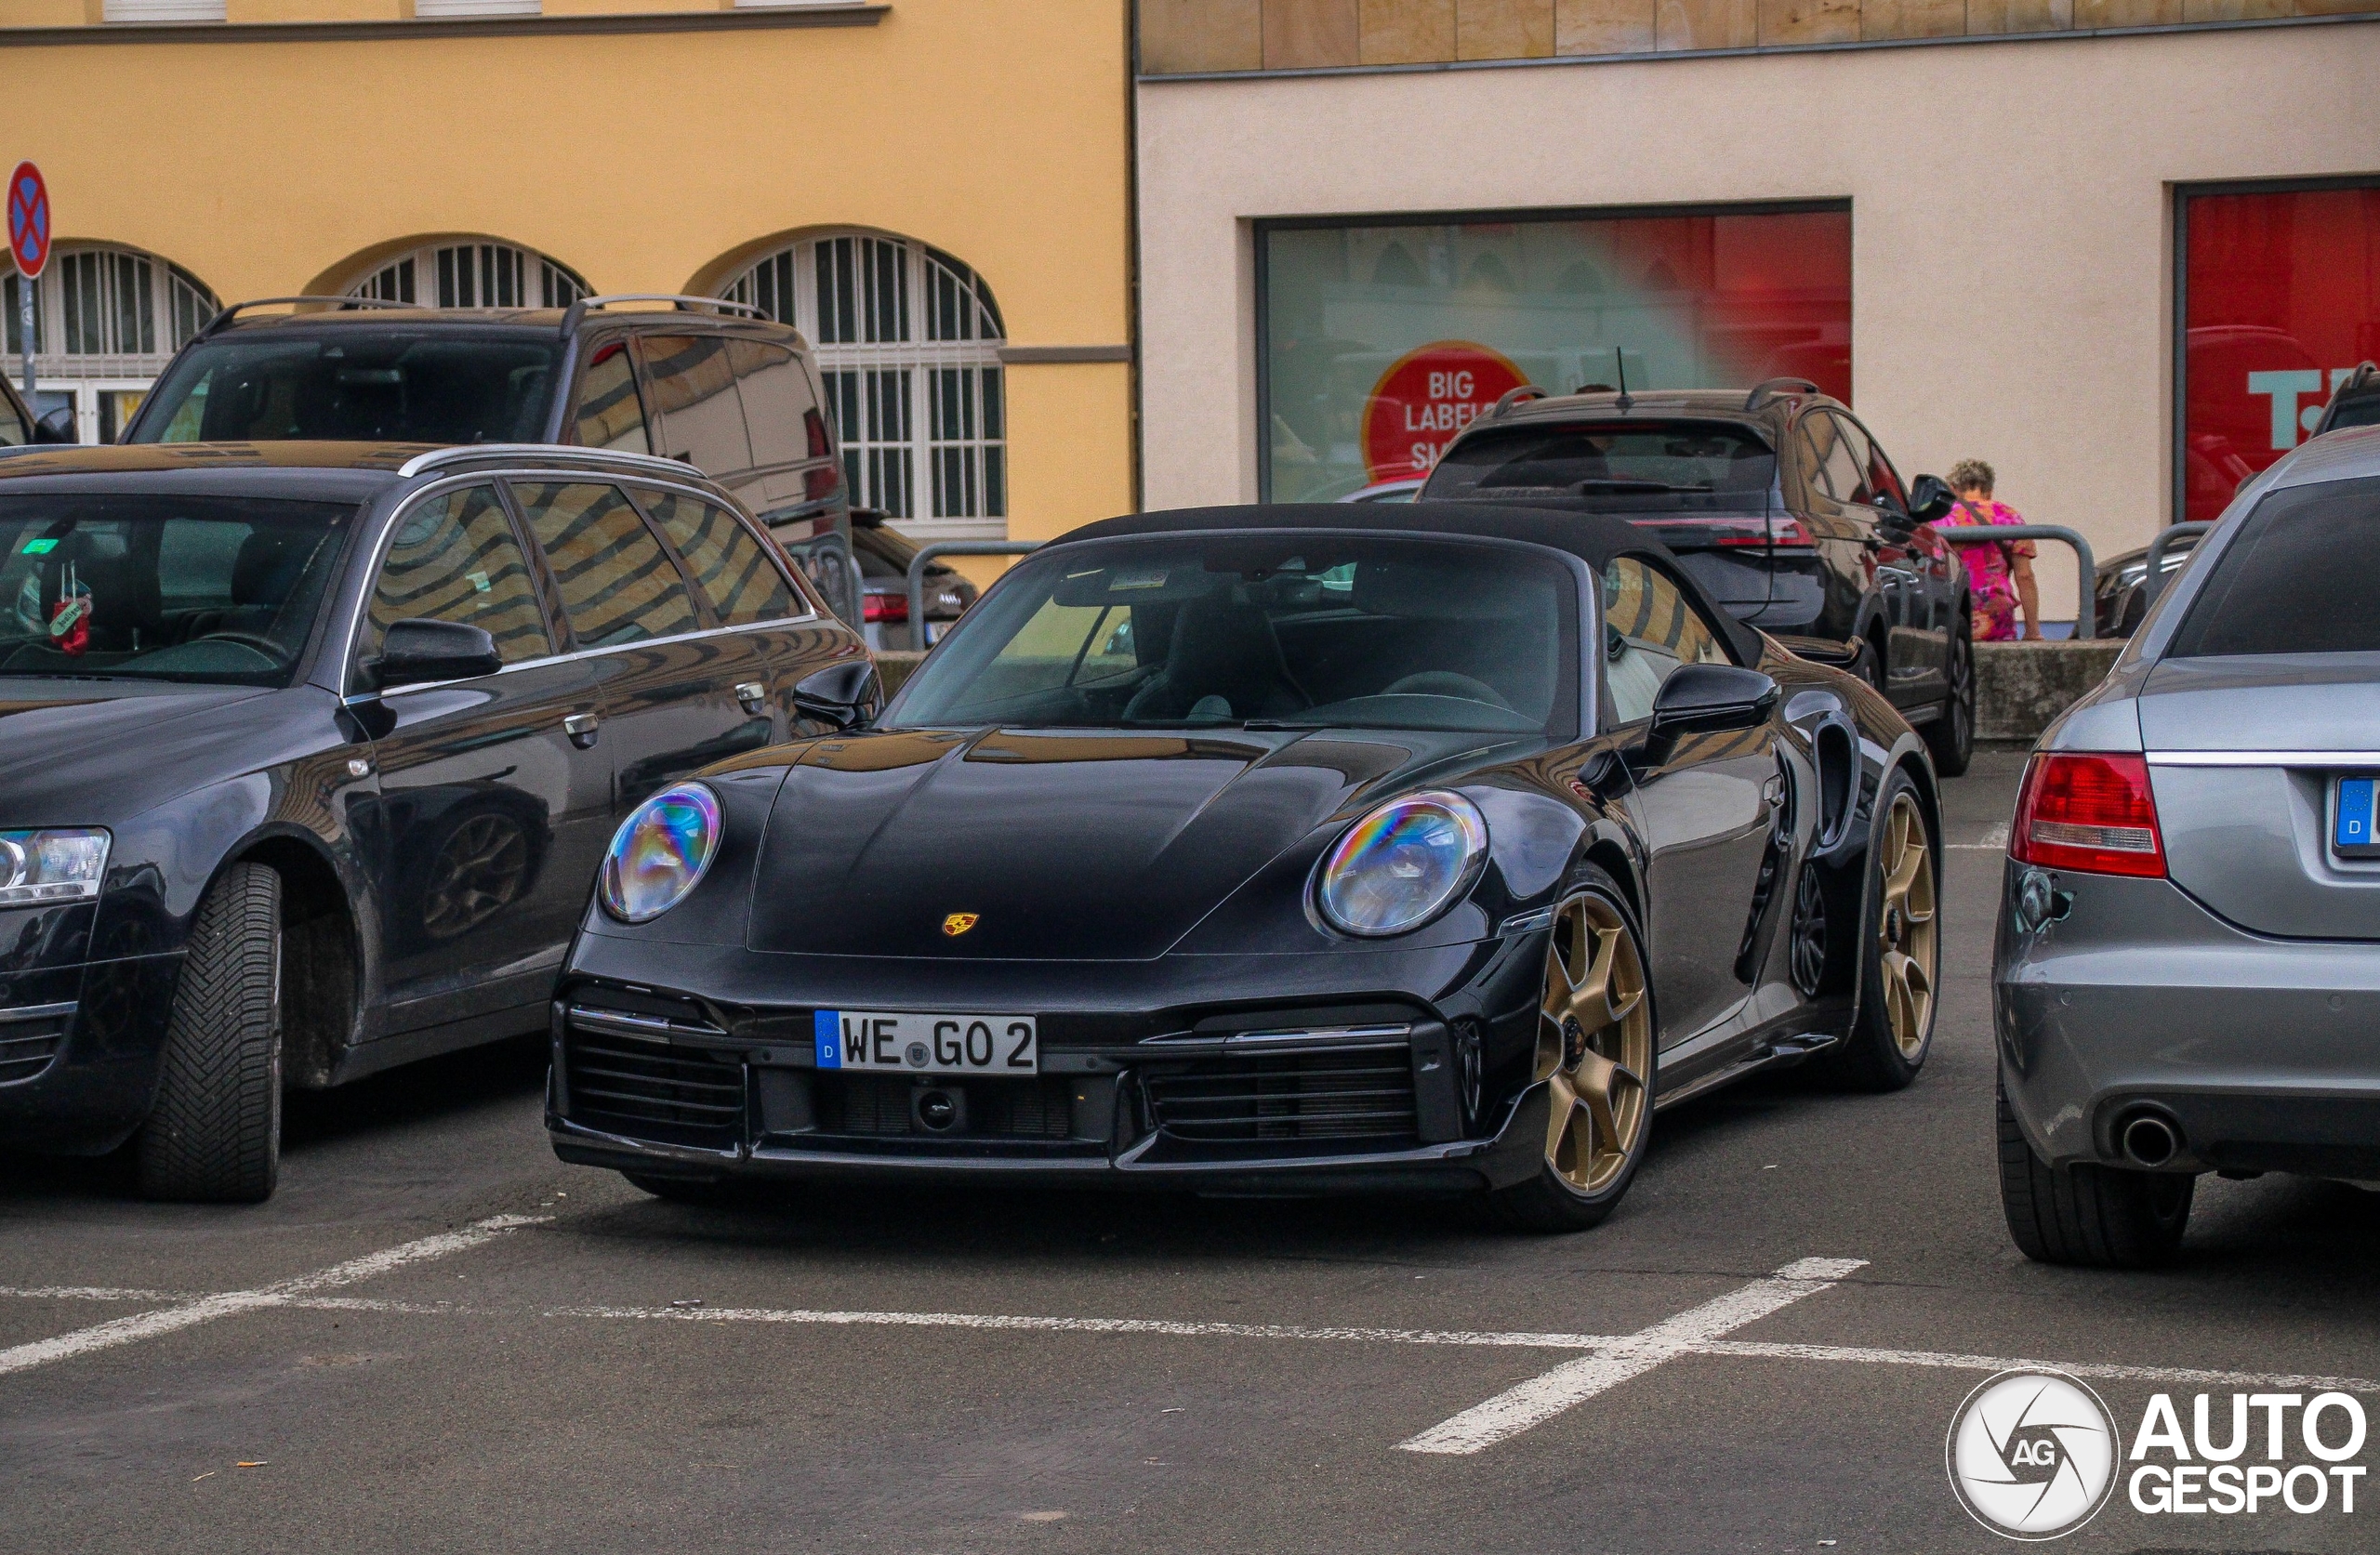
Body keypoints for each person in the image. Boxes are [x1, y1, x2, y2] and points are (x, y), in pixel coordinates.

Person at [1937, 458, 2043, 641]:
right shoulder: (2008, 516)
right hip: (1995, 613)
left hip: (1948, 613)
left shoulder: (1940, 517)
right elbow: (2024, 576)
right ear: (1990, 490)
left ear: (1953, 489)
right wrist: (2032, 631)